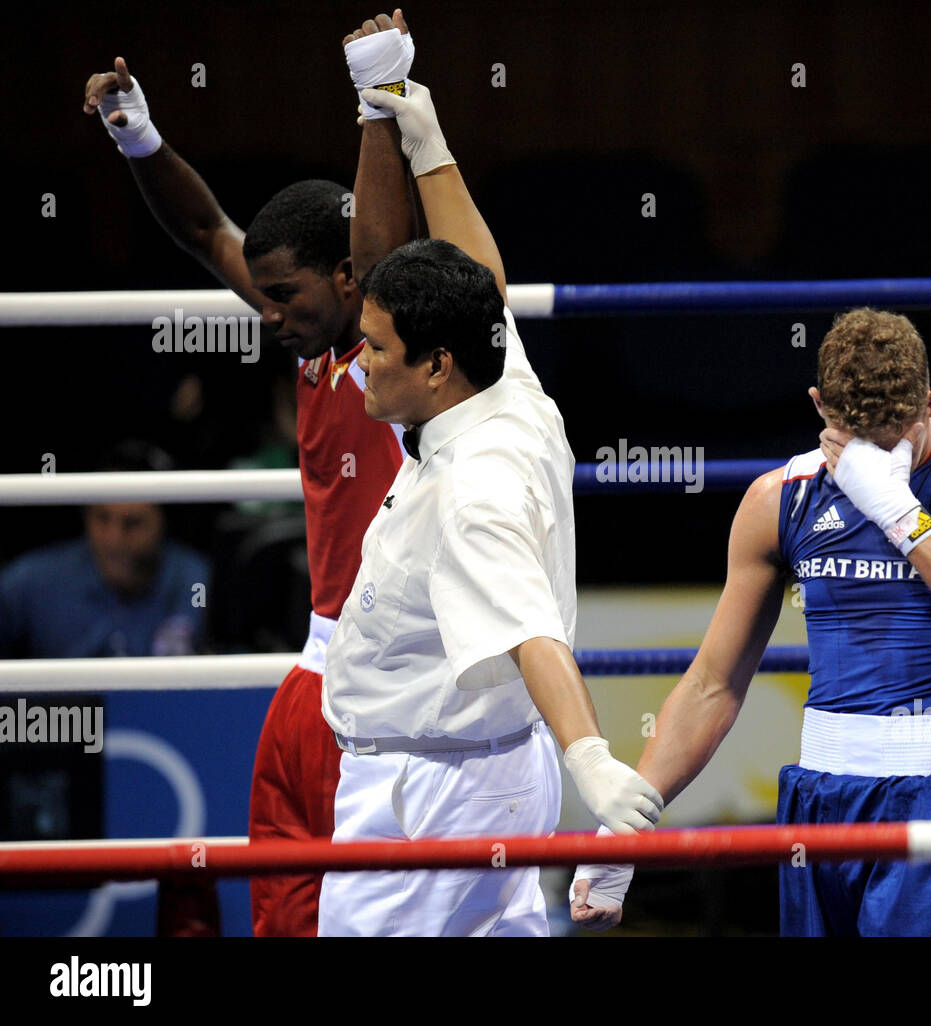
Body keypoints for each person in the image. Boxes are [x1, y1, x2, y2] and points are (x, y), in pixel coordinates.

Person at [80, 12, 425, 935]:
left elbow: (385, 255)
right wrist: (139, 136)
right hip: (311, 684)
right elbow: (203, 226)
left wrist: (379, 101)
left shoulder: (380, 352)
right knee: (282, 920)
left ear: (348, 282)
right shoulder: (310, 340)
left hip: (383, 697)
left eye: (285, 297)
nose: (266, 315)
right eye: (264, 296)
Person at [571, 307, 931, 936]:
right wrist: (622, 829)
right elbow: (714, 682)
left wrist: (896, 510)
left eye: (898, 432)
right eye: (858, 435)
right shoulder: (782, 498)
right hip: (820, 800)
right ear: (820, 406)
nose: (880, 452)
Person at [317, 71, 662, 937]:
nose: (361, 358)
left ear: (436, 365)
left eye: (380, 345)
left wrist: (599, 775)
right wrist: (426, 140)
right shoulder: (500, 381)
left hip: (434, 792)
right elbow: (482, 280)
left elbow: (529, 632)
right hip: (478, 773)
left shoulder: (476, 489)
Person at [0, 441, 209, 659]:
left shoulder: (199, 582)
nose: (114, 539)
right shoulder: (30, 582)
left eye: (132, 523)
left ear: (164, 523)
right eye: (102, 518)